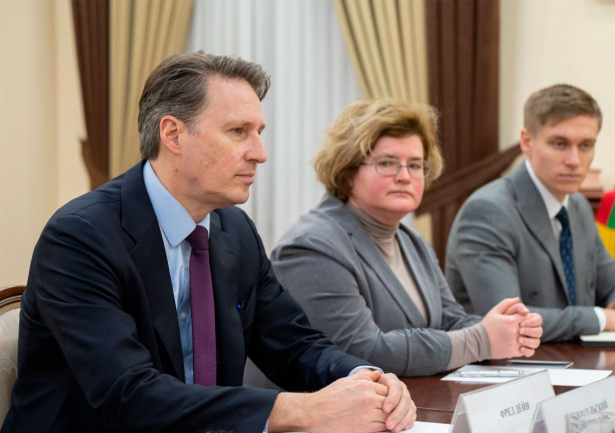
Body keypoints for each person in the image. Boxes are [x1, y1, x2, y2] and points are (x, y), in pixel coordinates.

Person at [2, 53, 416, 433]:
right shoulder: (80, 238)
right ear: (173, 134)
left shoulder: (234, 229)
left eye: (259, 132)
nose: (260, 153)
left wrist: (366, 379)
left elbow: (294, 344)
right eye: (238, 132)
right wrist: (304, 410)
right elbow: (128, 395)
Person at [270, 99, 543, 377]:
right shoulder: (311, 246)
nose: (404, 176)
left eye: (415, 165)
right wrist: (481, 340)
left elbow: (449, 321)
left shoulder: (413, 242)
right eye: (387, 163)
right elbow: (363, 352)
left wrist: (507, 329)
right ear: (348, 173)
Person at [446, 84, 615, 342]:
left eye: (585, 145)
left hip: (574, 360)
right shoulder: (487, 211)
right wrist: (600, 318)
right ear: (527, 142)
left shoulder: (578, 206)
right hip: (503, 365)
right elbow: (510, 322)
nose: (574, 160)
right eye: (559, 144)